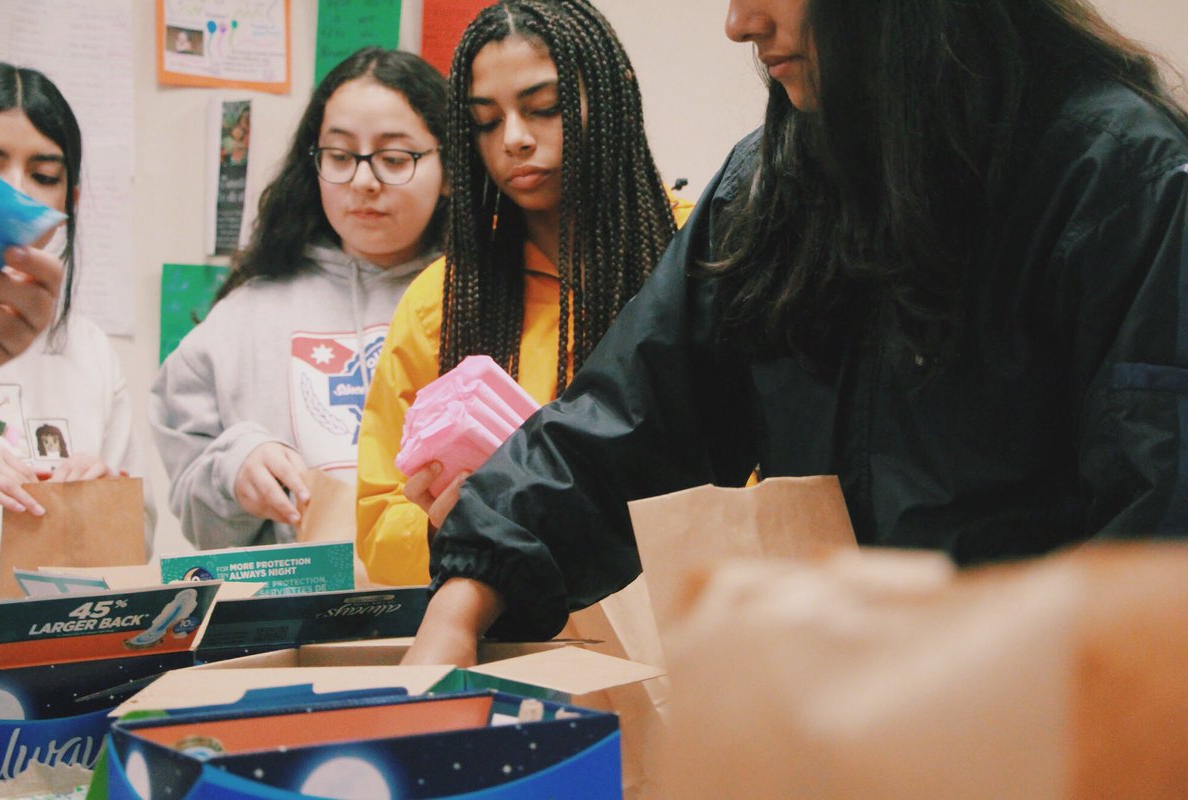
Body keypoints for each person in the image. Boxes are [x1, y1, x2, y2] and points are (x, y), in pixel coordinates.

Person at [401, 0, 1188, 666]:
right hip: (838, 716)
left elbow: (1153, 539)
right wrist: (468, 593)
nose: (740, 23)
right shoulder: (773, 184)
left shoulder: (1121, 179)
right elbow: (635, 413)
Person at [356, 0, 693, 586]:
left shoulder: (698, 252)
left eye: (544, 108)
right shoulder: (441, 302)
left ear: (615, 94)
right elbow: (379, 521)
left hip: (696, 625)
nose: (513, 139)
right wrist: (443, 531)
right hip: (511, 637)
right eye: (486, 121)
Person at [151, 47, 447, 550]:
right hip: (292, 620)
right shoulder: (243, 319)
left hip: (453, 616)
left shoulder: (486, 299)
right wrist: (235, 468)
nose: (363, 181)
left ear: (451, 173)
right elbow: (194, 516)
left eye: (395, 159)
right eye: (339, 156)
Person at [0, 62, 154, 597]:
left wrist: (102, 498)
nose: (15, 192)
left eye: (43, 175)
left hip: (44, 657)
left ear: (70, 202)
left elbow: (138, 550)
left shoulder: (89, 351)